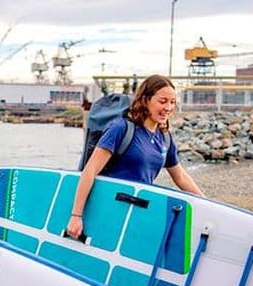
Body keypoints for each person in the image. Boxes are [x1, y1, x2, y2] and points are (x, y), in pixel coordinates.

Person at [66, 74, 203, 239]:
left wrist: (206, 203)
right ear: (145, 100)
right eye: (162, 101)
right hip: (110, 207)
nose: (168, 107)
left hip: (138, 209)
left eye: (172, 102)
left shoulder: (164, 137)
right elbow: (91, 170)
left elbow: (180, 176)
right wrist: (76, 216)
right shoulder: (122, 128)